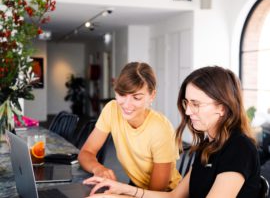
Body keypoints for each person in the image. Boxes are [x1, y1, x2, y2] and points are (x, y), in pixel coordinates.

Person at [83, 66, 261, 198]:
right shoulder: (208, 146)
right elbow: (174, 196)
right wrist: (122, 190)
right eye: (187, 103)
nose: (188, 111)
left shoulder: (239, 148)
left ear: (222, 107)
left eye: (196, 104)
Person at [78, 62, 181, 191]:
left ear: (152, 96)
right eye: (122, 94)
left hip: (165, 193)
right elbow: (86, 152)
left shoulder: (161, 129)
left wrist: (122, 191)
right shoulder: (112, 109)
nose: (127, 105)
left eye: (136, 98)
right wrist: (98, 168)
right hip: (136, 187)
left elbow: (156, 193)